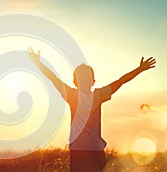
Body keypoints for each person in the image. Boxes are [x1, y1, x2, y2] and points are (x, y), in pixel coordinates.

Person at [27, 47, 156, 172]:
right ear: (75, 82)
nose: (84, 80)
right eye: (81, 77)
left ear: (93, 81)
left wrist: (139, 69)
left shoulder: (87, 95)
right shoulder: (89, 95)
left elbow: (121, 81)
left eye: (86, 77)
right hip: (86, 151)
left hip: (89, 151)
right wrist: (38, 63)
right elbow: (53, 78)